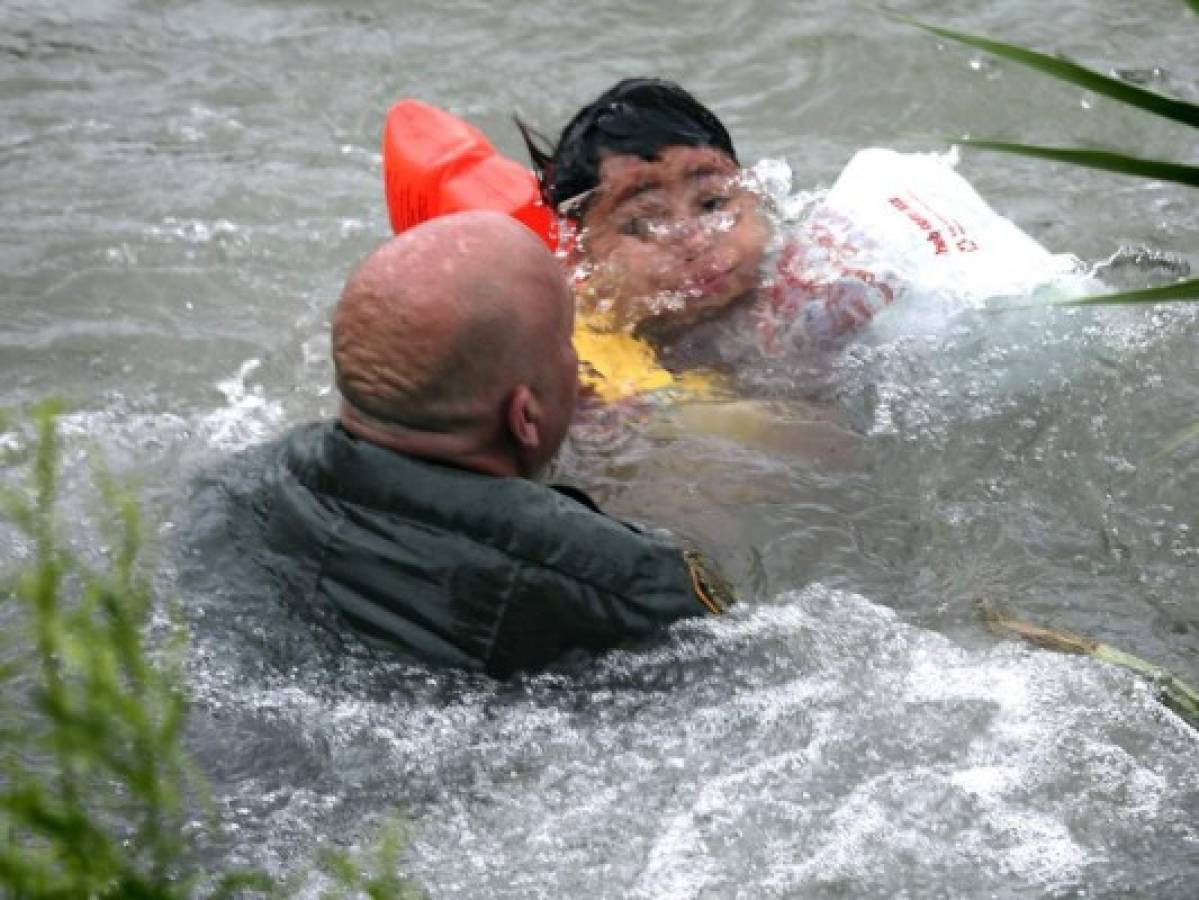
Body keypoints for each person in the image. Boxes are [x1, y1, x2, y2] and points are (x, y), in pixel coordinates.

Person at [259, 210, 732, 678]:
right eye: (569, 343)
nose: (584, 371)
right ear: (525, 418)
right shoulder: (631, 588)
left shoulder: (243, 485)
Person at [519, 77, 892, 402]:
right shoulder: (584, 367)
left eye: (713, 203)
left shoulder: (816, 271)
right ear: (582, 257)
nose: (695, 240)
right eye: (643, 224)